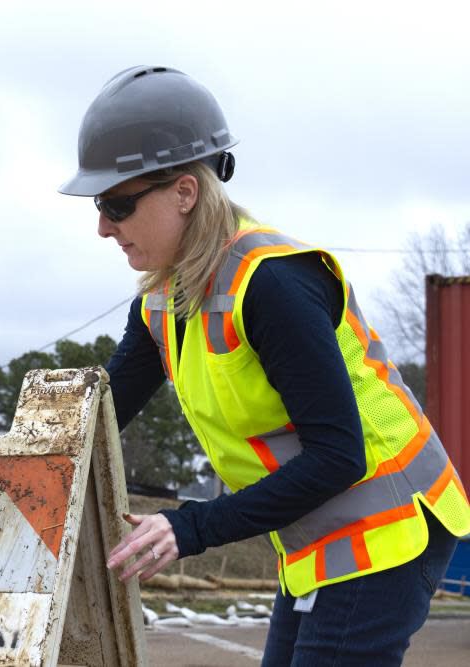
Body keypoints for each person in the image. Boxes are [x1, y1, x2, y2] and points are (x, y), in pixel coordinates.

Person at [59, 65, 470, 665]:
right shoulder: (161, 303)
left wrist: (189, 527)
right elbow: (95, 423)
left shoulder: (273, 284)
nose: (102, 226)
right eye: (98, 204)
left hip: (389, 529)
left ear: (184, 192)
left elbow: (339, 456)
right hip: (313, 537)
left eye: (117, 204)